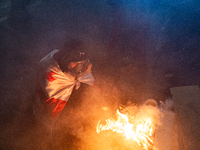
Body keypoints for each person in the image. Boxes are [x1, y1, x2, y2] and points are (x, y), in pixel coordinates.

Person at [33, 39, 94, 144]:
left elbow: (90, 79)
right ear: (65, 59)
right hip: (46, 111)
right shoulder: (50, 69)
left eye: (82, 63)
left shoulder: (70, 61)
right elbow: (69, 79)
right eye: (75, 63)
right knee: (49, 130)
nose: (80, 67)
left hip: (66, 93)